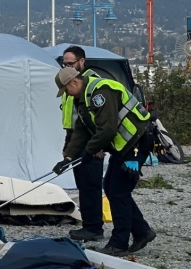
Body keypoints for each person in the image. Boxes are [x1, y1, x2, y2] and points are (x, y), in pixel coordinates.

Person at [53, 67, 156, 256]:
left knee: (118, 192)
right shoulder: (83, 99)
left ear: (74, 83)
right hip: (124, 145)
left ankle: (119, 243)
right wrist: (68, 157)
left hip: (137, 142)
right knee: (111, 187)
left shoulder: (100, 92)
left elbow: (107, 130)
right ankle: (142, 231)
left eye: (66, 90)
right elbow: (81, 130)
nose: (66, 94)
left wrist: (89, 153)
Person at [59, 46, 105, 242]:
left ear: (82, 62)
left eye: (70, 64)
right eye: (64, 64)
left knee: (91, 185)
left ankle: (94, 227)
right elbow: (74, 121)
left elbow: (100, 120)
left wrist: (99, 146)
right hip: (76, 137)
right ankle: (88, 224)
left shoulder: (92, 84)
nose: (67, 67)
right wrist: (68, 149)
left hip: (92, 141)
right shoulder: (70, 83)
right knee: (82, 185)